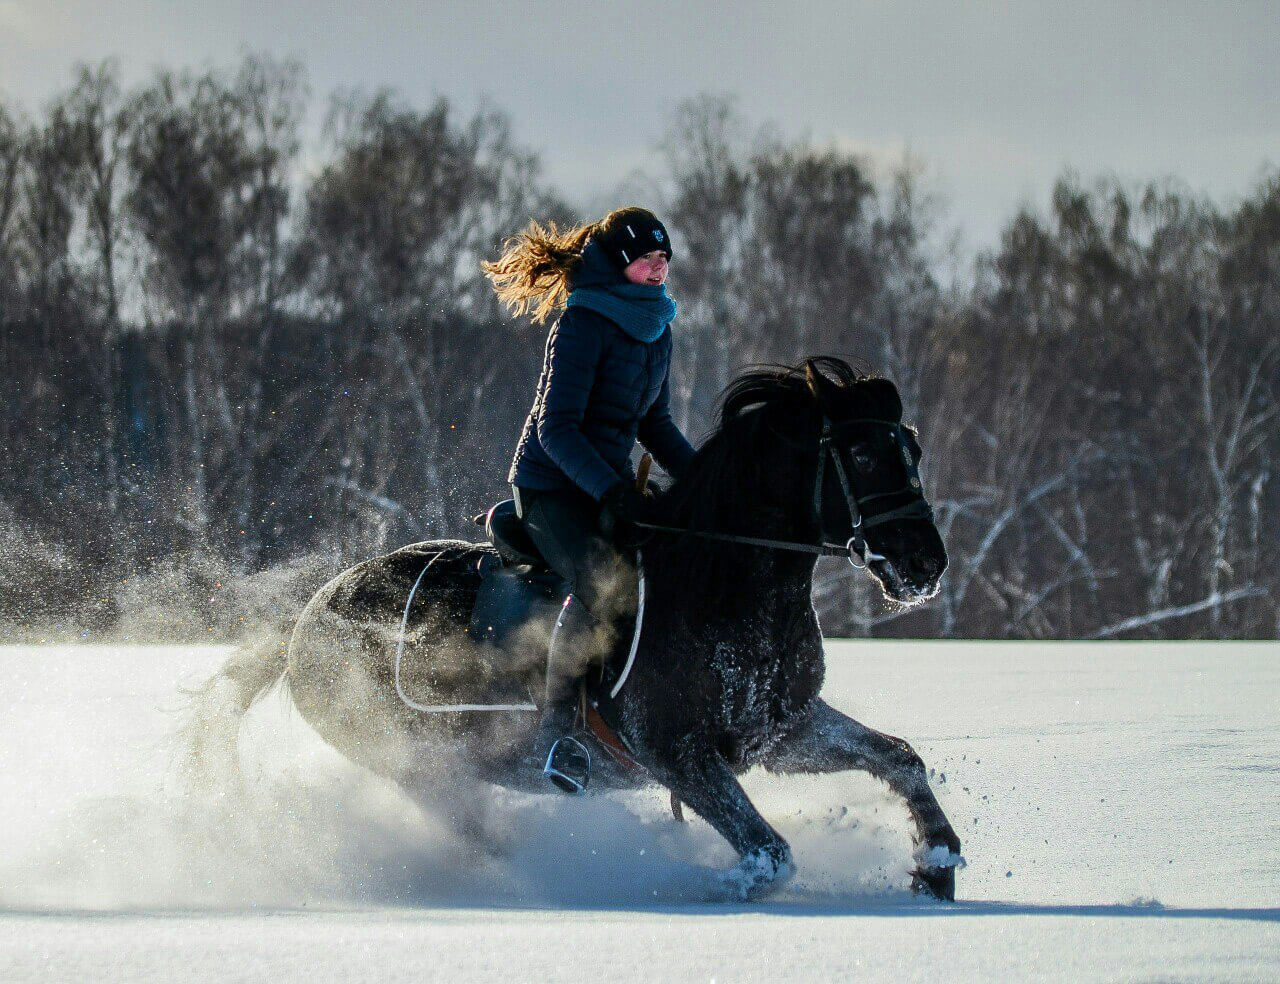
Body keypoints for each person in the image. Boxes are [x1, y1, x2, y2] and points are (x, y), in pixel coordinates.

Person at [482, 206, 696, 793]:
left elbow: (656, 423)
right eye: (649, 260)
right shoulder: (581, 322)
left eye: (665, 262)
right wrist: (611, 489)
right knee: (606, 584)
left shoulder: (657, 327)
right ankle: (558, 735)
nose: (659, 271)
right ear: (621, 261)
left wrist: (705, 481)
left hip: (609, 486)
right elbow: (556, 429)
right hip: (551, 487)